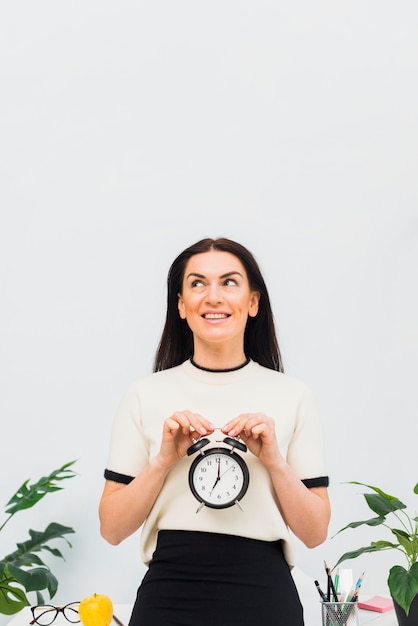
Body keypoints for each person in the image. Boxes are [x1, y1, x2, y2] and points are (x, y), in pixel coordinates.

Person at [99, 237, 330, 626]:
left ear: (253, 302)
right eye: (197, 283)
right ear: (181, 305)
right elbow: (112, 528)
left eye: (229, 282)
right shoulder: (144, 394)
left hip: (265, 595)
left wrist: (274, 462)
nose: (213, 296)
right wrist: (162, 462)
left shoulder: (293, 395)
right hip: (168, 593)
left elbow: (314, 533)